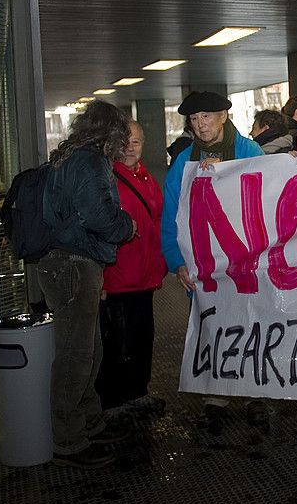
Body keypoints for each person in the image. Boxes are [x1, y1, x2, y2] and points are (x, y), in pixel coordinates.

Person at [35, 101, 136, 469]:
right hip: (73, 264)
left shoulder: (70, 157)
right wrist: (128, 226)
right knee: (76, 355)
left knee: (87, 347)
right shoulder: (89, 162)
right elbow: (99, 217)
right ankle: (69, 440)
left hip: (70, 264)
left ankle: (89, 422)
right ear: (109, 132)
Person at [162, 91, 266, 428]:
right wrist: (177, 261)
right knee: (212, 326)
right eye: (194, 119)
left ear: (223, 115)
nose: (200, 124)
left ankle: (254, 393)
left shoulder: (249, 151)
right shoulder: (183, 162)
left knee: (250, 324)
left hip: (244, 259)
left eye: (206, 116)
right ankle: (215, 393)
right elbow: (170, 216)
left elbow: (268, 190)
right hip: (204, 263)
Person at [96, 122, 166, 413]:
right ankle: (113, 401)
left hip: (144, 276)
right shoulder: (106, 179)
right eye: (124, 142)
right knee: (118, 342)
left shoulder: (145, 176)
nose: (130, 148)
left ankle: (137, 391)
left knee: (141, 337)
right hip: (117, 277)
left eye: (136, 142)